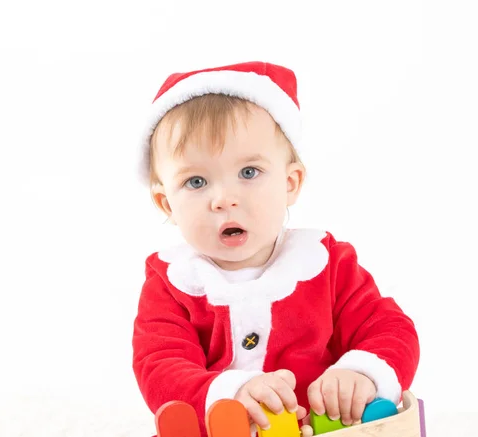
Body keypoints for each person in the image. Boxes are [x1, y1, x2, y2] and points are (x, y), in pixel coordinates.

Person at [131, 61, 419, 437]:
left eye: (249, 172)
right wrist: (231, 393)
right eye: (196, 181)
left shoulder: (324, 263)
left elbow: (389, 327)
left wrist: (361, 372)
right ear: (167, 203)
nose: (224, 199)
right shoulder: (173, 283)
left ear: (290, 182)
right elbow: (160, 367)